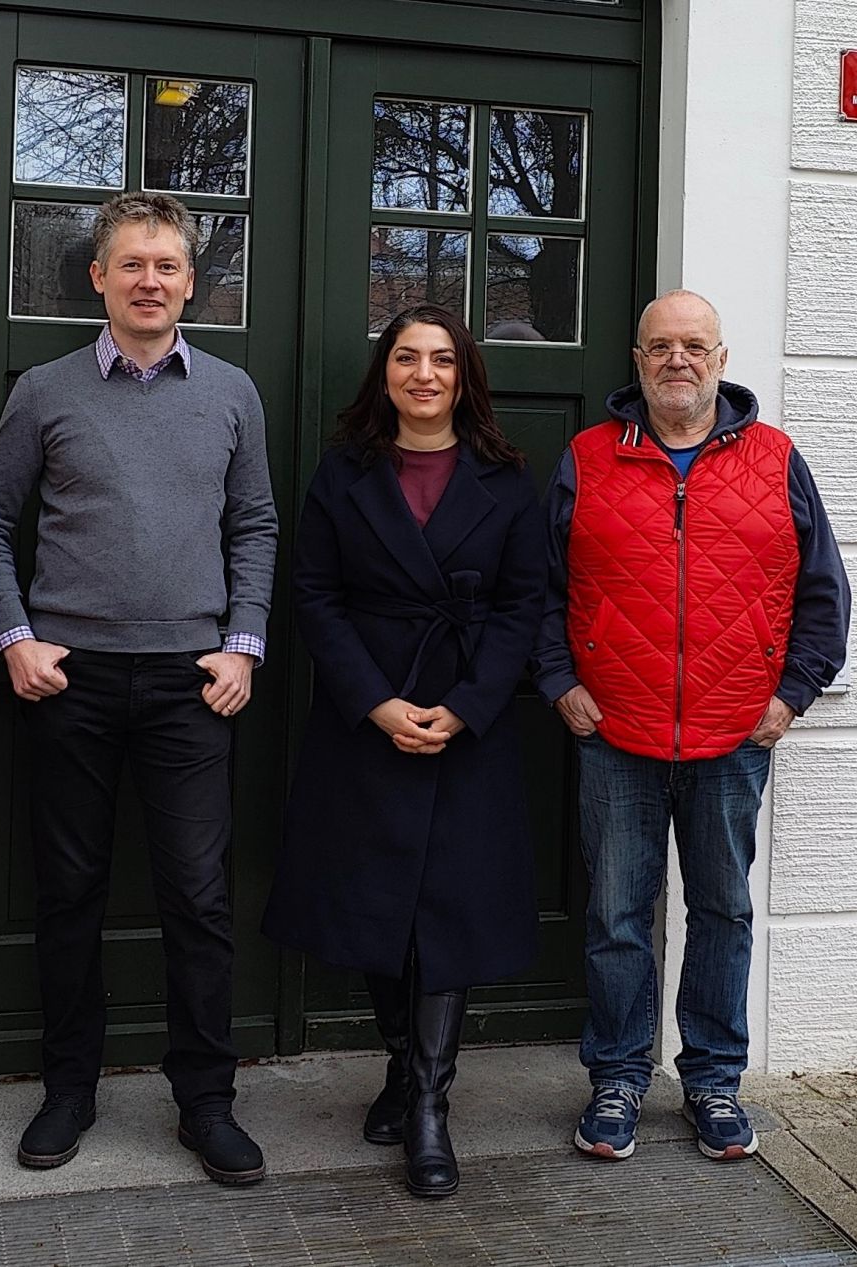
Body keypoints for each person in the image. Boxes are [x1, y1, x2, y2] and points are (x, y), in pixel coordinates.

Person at [0, 191, 279, 1186]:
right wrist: (16, 638)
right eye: (131, 264)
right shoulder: (46, 391)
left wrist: (243, 644)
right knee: (69, 894)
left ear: (192, 280)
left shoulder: (230, 392)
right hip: (70, 682)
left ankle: (205, 1099)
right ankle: (68, 1086)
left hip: (194, 684)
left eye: (168, 266)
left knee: (196, 897)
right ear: (96, 276)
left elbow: (255, 525)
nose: (150, 280)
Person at [533, 289, 850, 1163]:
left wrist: (794, 693)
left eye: (694, 345)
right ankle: (618, 1079)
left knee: (723, 911)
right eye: (660, 345)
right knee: (616, 914)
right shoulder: (588, 457)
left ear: (720, 356)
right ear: (637, 360)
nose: (678, 359)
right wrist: (559, 680)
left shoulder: (776, 458)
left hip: (733, 735)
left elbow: (824, 594)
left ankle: (712, 1078)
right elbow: (541, 590)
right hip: (618, 734)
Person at [262, 304, 546, 1199]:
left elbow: (523, 605)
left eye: (442, 361)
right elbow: (313, 595)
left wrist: (463, 708)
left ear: (465, 377)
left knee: (448, 912)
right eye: (407, 359)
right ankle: (397, 1063)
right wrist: (379, 704)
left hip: (468, 722)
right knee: (373, 902)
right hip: (368, 718)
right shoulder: (342, 473)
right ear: (384, 373)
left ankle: (429, 1100)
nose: (424, 374)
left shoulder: (506, 478)